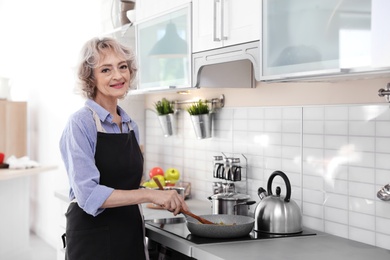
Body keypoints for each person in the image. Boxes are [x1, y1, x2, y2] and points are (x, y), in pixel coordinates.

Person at [59, 37, 188, 260]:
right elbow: (88, 194)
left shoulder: (129, 125)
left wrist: (161, 196)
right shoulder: (81, 124)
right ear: (91, 78)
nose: (118, 76)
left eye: (123, 67)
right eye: (106, 70)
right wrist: (150, 195)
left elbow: (126, 183)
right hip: (93, 240)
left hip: (128, 234)